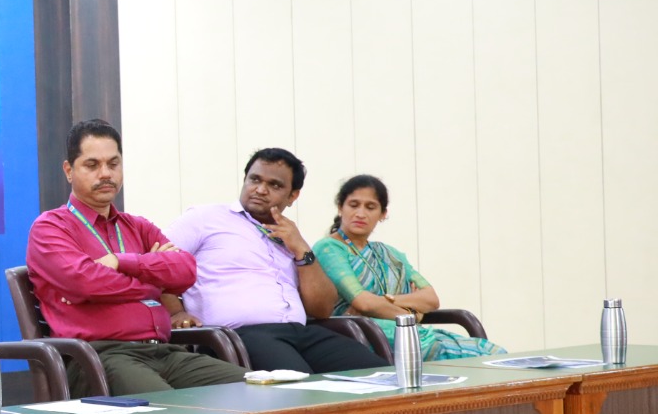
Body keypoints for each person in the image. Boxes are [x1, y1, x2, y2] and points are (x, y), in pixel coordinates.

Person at [26, 120, 249, 395]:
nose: (105, 174)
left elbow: (186, 271)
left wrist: (123, 262)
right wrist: (155, 283)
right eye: (92, 165)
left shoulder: (137, 226)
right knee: (171, 409)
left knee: (261, 390)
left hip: (163, 352)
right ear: (69, 170)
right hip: (98, 357)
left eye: (113, 164)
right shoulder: (51, 227)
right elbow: (86, 283)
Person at [163, 148, 388, 374]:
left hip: (302, 332)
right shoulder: (205, 218)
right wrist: (175, 313)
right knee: (299, 383)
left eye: (275, 185)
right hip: (240, 335)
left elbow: (322, 309)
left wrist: (301, 248)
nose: (261, 190)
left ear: (293, 196)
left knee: (381, 375)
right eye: (255, 179)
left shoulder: (290, 235)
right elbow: (155, 265)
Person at [314, 174, 506, 360]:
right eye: (353, 205)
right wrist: (413, 314)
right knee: (484, 359)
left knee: (495, 353)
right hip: (363, 336)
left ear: (383, 214)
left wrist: (387, 301)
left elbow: (431, 298)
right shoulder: (329, 248)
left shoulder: (390, 255)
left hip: (407, 332)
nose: (360, 213)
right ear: (340, 208)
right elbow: (363, 302)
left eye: (370, 207)